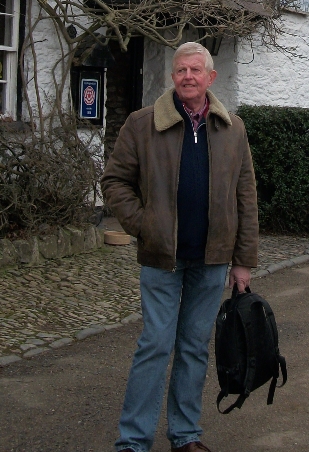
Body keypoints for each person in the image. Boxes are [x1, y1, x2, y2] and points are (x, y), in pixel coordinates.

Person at [101, 41, 259, 452]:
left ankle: (185, 435)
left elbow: (246, 196)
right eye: (180, 71)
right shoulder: (142, 124)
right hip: (162, 258)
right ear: (172, 77)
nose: (188, 76)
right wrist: (144, 225)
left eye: (195, 70)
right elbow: (114, 182)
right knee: (154, 345)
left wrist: (243, 261)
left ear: (211, 77)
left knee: (193, 348)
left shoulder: (232, 128)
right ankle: (133, 441)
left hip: (212, 259)